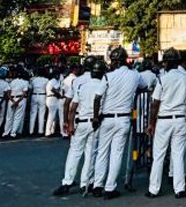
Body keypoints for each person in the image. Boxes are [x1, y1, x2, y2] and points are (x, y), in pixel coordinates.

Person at [92, 47, 145, 200]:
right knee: (116, 154)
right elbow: (144, 86)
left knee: (102, 153)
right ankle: (110, 188)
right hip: (123, 119)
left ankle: (97, 185)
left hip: (107, 119)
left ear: (115, 61)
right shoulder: (134, 75)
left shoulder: (108, 77)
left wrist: (96, 118)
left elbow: (97, 98)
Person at [53, 60, 107, 197]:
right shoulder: (103, 84)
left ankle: (67, 181)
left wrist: (68, 123)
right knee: (91, 153)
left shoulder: (80, 83)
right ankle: (86, 183)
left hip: (80, 120)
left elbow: (70, 105)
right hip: (95, 122)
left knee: (74, 152)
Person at [145, 48, 186, 199]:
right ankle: (180, 189)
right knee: (178, 155)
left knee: (158, 155)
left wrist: (151, 123)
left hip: (163, 121)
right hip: (180, 120)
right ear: (178, 62)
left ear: (166, 63)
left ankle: (154, 189)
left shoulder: (162, 79)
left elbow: (155, 104)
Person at [3, 67, 29, 139]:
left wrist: (12, 101)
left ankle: (6, 132)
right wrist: (17, 101)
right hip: (20, 100)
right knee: (17, 117)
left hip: (11, 99)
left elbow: (8, 92)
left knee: (9, 117)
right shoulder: (24, 82)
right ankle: (13, 133)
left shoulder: (12, 82)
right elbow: (24, 94)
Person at [29, 67, 49, 136]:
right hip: (42, 95)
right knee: (41, 114)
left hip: (34, 95)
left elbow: (30, 89)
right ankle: (40, 131)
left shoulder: (33, 80)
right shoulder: (46, 80)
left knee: (33, 114)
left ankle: (31, 131)